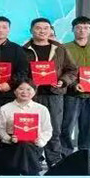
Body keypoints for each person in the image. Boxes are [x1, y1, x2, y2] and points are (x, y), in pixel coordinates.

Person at [57, 15, 90, 160]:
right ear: (72, 29)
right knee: (67, 126)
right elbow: (60, 71)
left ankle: (85, 155)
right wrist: (73, 84)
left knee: (87, 127)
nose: (82, 30)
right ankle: (66, 155)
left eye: (86, 28)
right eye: (78, 27)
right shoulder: (64, 48)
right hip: (71, 94)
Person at [0, 77, 54, 175]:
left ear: (34, 91)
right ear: (14, 91)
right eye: (21, 89)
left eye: (28, 89)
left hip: (34, 145)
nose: (24, 92)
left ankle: (10, 173)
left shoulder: (42, 109)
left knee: (25, 146)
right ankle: (33, 175)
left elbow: (47, 130)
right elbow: (0, 129)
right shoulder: (5, 108)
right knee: (22, 147)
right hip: (11, 144)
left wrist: (40, 141)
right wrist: (9, 139)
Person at [23, 17, 66, 150]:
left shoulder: (60, 49)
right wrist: (28, 83)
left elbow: (72, 69)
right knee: (32, 129)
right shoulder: (23, 50)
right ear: (31, 30)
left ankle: (54, 159)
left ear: (50, 30)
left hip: (54, 94)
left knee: (54, 129)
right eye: (38, 28)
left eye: (46, 28)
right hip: (31, 95)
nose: (42, 31)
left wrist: (63, 81)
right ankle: (35, 158)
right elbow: (19, 71)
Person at [0, 17, 29, 115]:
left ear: (9, 30)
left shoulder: (17, 49)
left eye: (4, 27)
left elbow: (23, 71)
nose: (0, 30)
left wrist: (10, 84)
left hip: (11, 94)